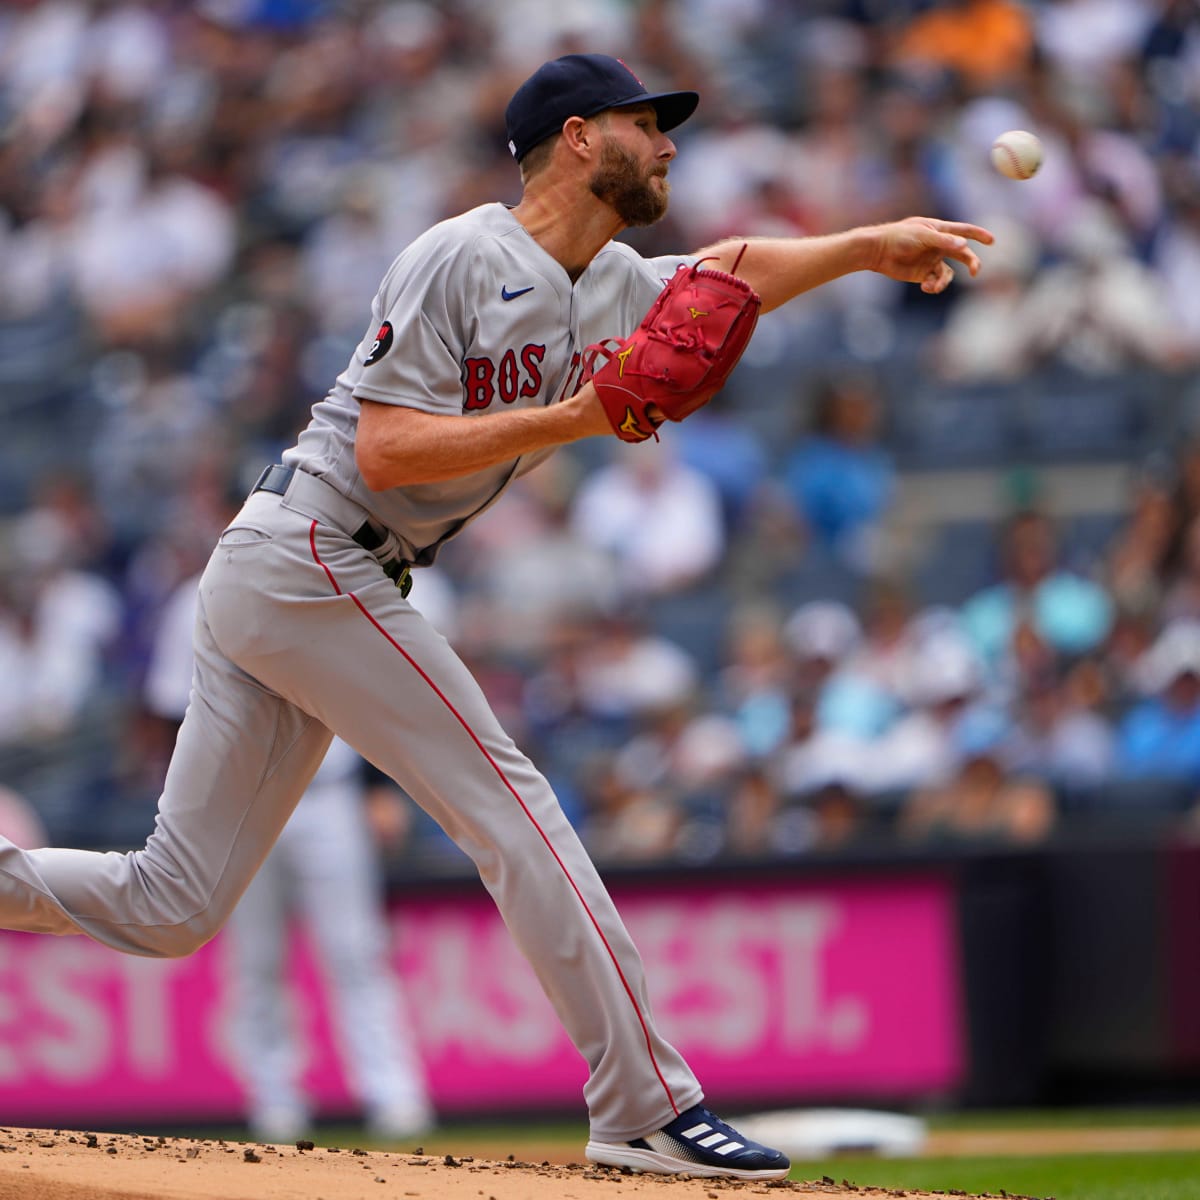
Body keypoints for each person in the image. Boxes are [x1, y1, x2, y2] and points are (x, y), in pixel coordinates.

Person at [0, 53, 991, 1180]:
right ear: (577, 138)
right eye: (645, 123)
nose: (667, 143)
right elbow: (384, 446)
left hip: (313, 569)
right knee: (515, 812)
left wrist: (866, 247)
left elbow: (730, 271)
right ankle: (646, 1107)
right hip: (313, 549)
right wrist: (574, 417)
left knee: (170, 902)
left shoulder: (608, 277)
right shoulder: (463, 252)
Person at [144, 572, 435, 1145]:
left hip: (329, 798)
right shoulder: (194, 599)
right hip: (240, 802)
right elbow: (168, 710)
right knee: (256, 961)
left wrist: (379, 786)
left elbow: (372, 691)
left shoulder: (329, 579)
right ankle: (274, 1103)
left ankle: (394, 1097)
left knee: (356, 951)